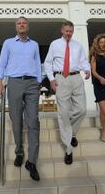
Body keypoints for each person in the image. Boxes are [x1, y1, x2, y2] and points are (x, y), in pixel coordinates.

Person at [0, 16, 41, 181]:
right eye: (19, 23)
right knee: (16, 120)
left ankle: (32, 161)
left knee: (33, 121)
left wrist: (38, 81)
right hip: (14, 82)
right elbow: (1, 63)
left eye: (24, 23)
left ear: (28, 26)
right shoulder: (8, 43)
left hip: (31, 84)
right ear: (16, 27)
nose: (22, 25)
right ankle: (19, 151)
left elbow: (37, 63)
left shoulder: (34, 44)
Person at [43, 21, 90, 165]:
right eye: (67, 31)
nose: (69, 33)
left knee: (82, 110)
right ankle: (68, 149)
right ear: (62, 31)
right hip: (60, 78)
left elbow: (83, 61)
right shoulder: (54, 44)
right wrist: (51, 79)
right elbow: (47, 63)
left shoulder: (78, 45)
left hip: (76, 77)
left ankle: (72, 133)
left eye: (71, 31)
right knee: (63, 113)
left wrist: (87, 69)